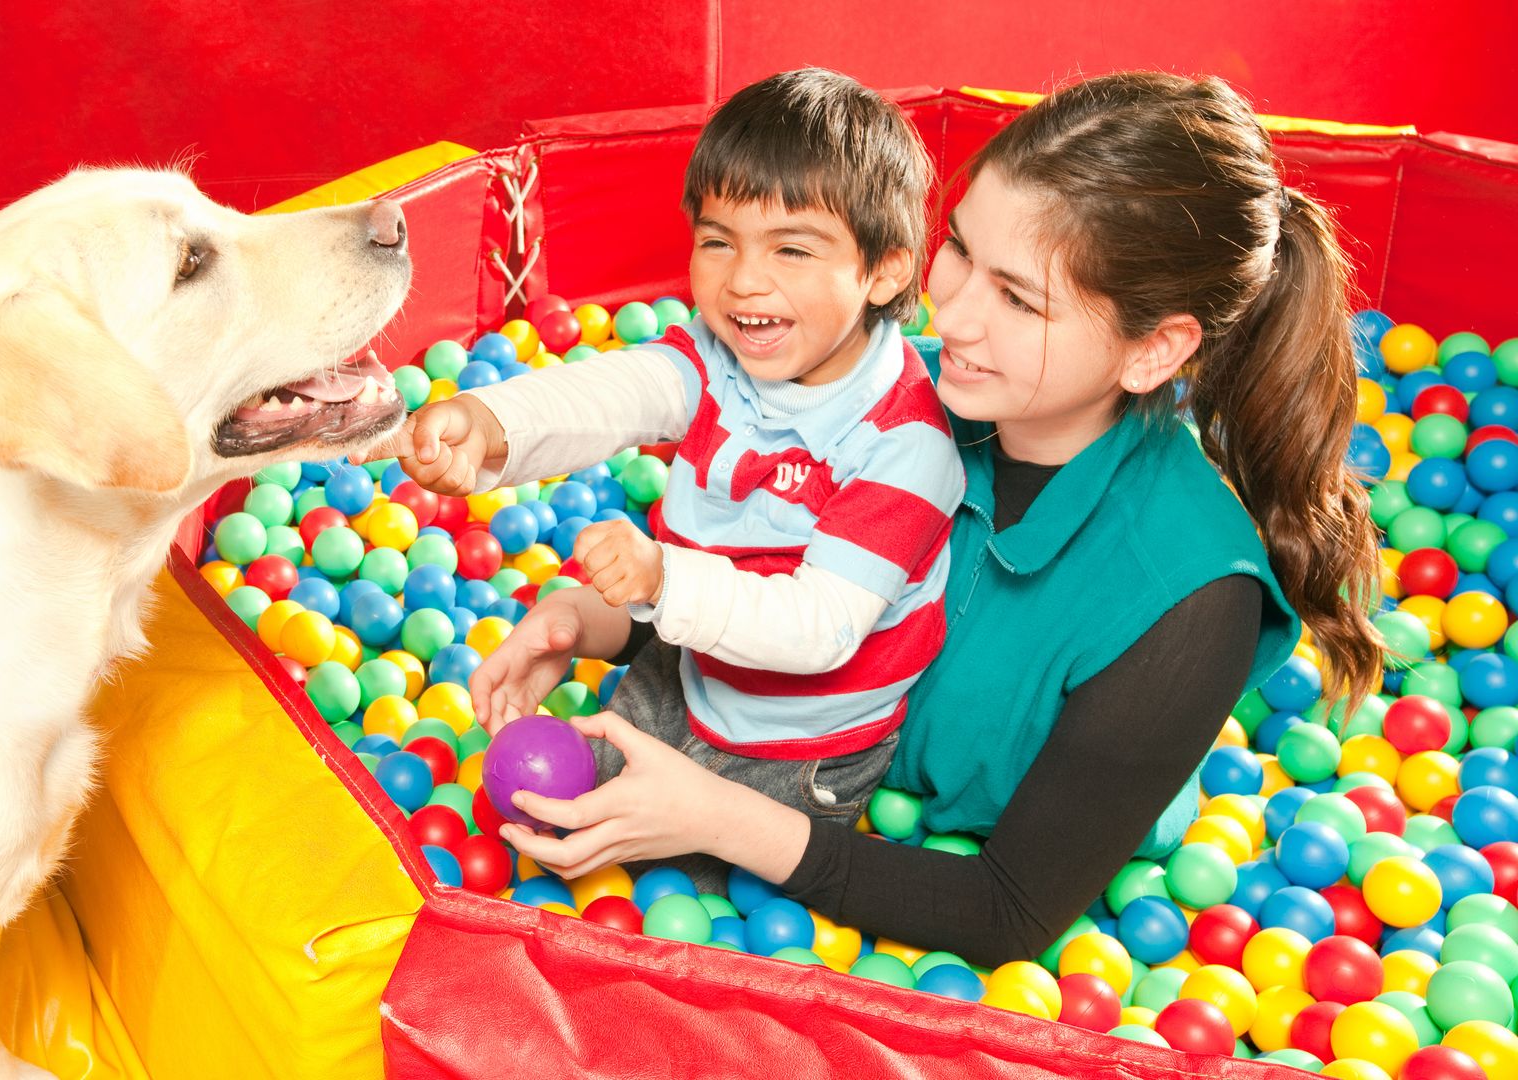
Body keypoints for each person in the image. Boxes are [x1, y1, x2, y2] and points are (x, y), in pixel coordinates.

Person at [486, 70, 1384, 965]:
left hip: (928, 904)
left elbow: (1008, 914)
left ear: (1153, 349)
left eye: (1019, 298)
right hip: (790, 761)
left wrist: (713, 818)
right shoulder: (885, 400)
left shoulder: (1191, 599)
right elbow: (785, 606)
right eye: (957, 250)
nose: (947, 313)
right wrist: (595, 620)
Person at [360, 68, 963, 890]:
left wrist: (660, 577)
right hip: (686, 674)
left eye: (790, 248)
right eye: (719, 241)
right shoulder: (720, 360)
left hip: (800, 753)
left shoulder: (904, 446)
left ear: (886, 272)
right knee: (545, 806)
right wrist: (492, 424)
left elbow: (819, 627)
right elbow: (616, 393)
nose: (743, 280)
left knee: (670, 883)